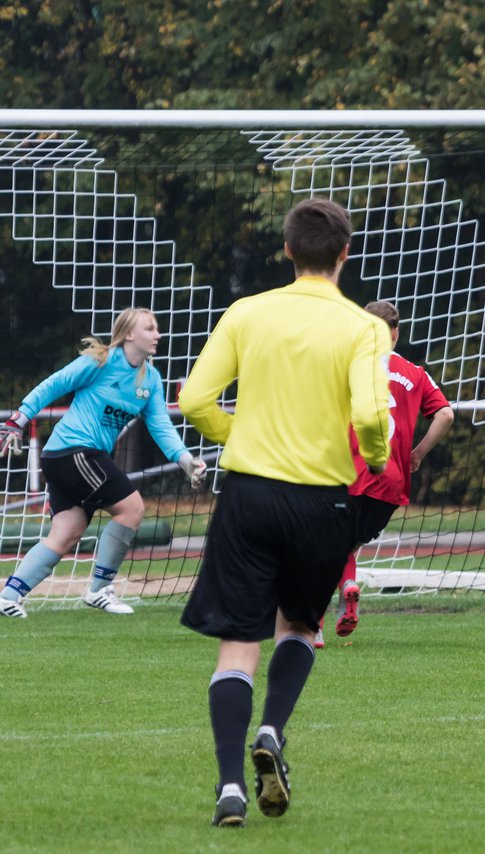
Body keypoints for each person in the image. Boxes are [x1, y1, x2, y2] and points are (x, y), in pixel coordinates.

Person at [177, 198, 392, 828]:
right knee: (298, 627)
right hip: (321, 499)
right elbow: (371, 417)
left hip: (248, 495)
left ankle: (229, 789)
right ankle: (272, 729)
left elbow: (193, 399)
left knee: (237, 647)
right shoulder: (365, 328)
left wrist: (236, 433)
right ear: (345, 255)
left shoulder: (247, 312)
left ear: (289, 251)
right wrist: (375, 458)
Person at [0, 308, 207, 619]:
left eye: (157, 329)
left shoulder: (150, 378)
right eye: (149, 328)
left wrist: (185, 460)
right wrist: (19, 419)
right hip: (72, 451)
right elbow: (54, 384)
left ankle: (8, 596)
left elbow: (161, 425)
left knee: (67, 531)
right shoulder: (101, 361)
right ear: (128, 334)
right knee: (132, 508)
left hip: (74, 457)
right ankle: (99, 589)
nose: (158, 334)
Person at [323, 300, 453, 643]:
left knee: (320, 545)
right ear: (396, 333)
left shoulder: (349, 368)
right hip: (392, 483)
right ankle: (344, 596)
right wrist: (418, 454)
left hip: (350, 472)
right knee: (343, 547)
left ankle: (314, 623)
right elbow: (446, 415)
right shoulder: (416, 373)